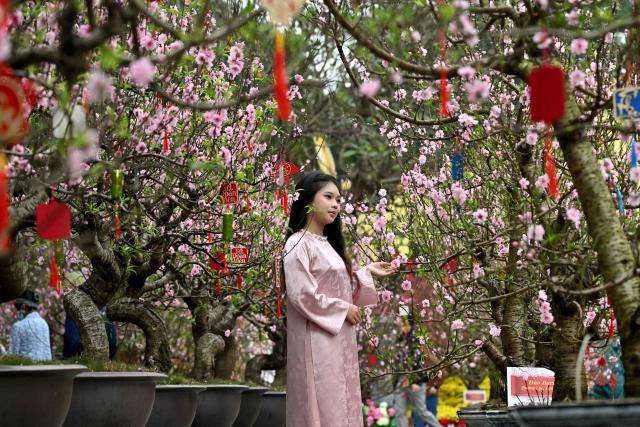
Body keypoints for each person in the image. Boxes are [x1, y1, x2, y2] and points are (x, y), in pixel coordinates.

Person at [283, 171, 396, 427]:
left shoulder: (327, 244)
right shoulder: (297, 244)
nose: (335, 204)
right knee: (324, 405)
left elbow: (337, 286)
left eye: (338, 199)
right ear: (308, 201)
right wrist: (342, 308)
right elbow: (301, 294)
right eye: (328, 197)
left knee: (343, 403)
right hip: (317, 341)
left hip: (339, 340)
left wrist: (366, 272)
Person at [9, 290, 52, 361]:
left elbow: (12, 356)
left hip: (24, 370)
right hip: (45, 369)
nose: (17, 312)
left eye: (17, 308)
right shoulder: (44, 324)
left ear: (23, 307)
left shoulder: (18, 326)